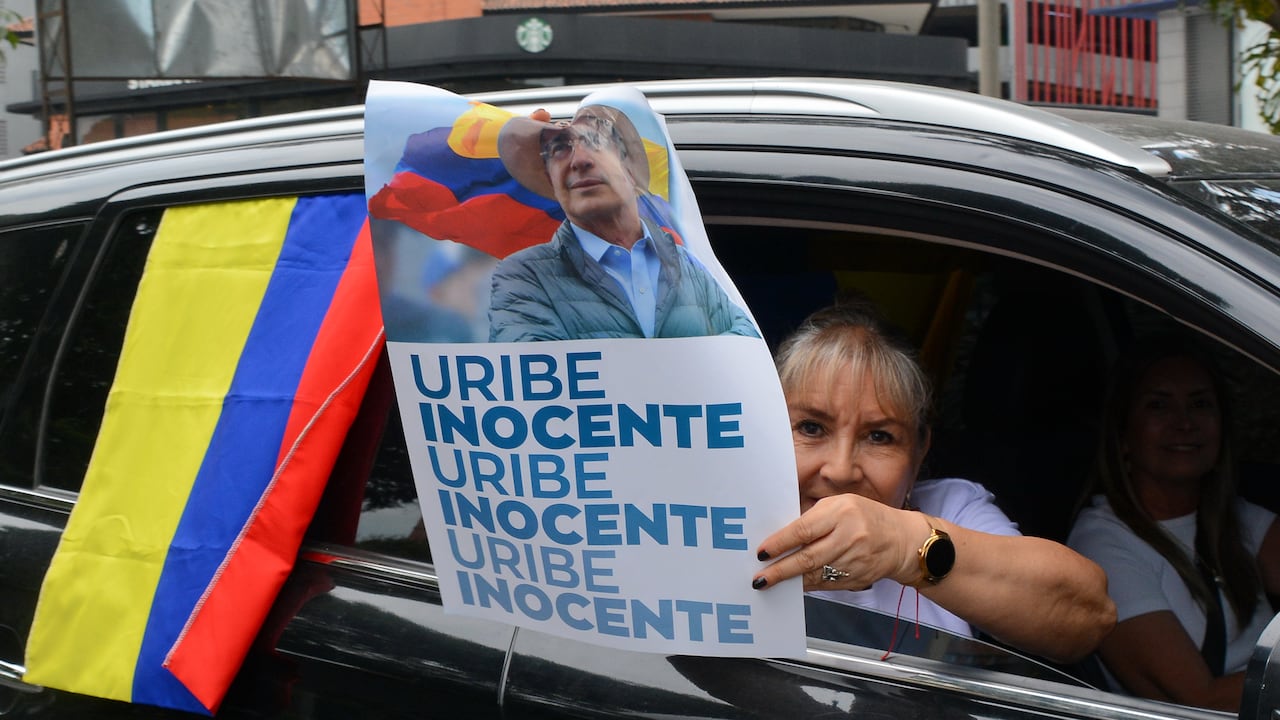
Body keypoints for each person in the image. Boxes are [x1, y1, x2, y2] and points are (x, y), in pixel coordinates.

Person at [751, 299, 1116, 664]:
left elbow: (1089, 615)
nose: (842, 469)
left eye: (879, 436)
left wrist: (908, 547)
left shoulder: (951, 508)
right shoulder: (726, 521)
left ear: (919, 449)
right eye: (811, 428)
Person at [1067, 334, 1280, 711]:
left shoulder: (1235, 517)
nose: (1184, 423)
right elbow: (1199, 701)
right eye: (1159, 406)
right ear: (1124, 435)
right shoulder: (1102, 546)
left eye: (1200, 404)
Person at [488, 104, 758, 341]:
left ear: (630, 171)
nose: (579, 161)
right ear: (552, 183)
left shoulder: (688, 266)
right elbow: (533, 378)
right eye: (560, 149)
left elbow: (746, 349)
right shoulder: (523, 276)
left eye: (596, 142)